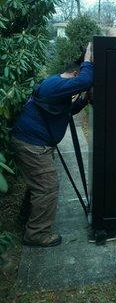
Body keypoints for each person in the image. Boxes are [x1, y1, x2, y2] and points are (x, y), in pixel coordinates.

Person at [11, 43, 93, 247]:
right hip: (33, 145)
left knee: (38, 185)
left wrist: (83, 101)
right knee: (47, 187)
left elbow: (61, 112)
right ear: (74, 73)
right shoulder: (54, 85)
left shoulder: (56, 88)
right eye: (77, 79)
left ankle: (27, 220)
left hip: (33, 143)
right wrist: (89, 60)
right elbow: (87, 79)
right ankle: (36, 234)